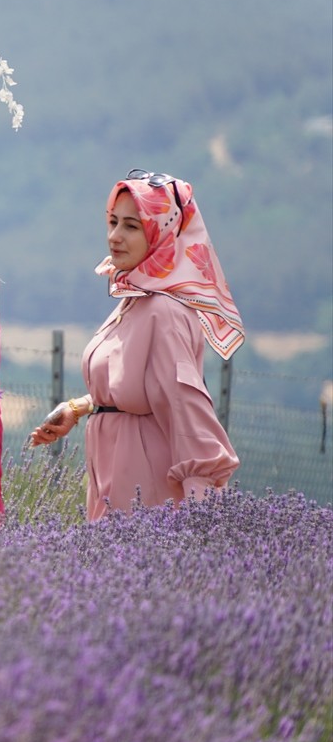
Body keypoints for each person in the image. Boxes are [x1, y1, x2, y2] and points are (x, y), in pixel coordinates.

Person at [28, 169, 243, 520]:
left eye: (131, 226)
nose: (114, 236)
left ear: (162, 233)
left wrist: (201, 525)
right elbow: (133, 385)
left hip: (147, 502)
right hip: (114, 492)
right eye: (112, 222)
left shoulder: (164, 313)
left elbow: (189, 417)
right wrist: (81, 407)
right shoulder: (135, 302)